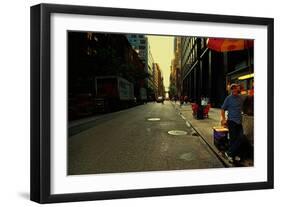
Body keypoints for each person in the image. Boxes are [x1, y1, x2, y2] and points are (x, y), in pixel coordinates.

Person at [221, 83, 245, 163]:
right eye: (232, 88)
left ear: (237, 89)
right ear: (231, 90)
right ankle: (233, 155)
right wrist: (224, 119)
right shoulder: (228, 98)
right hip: (231, 121)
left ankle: (229, 153)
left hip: (239, 121)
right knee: (233, 139)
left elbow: (242, 107)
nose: (234, 90)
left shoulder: (240, 98)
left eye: (235, 88)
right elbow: (223, 109)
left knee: (241, 138)